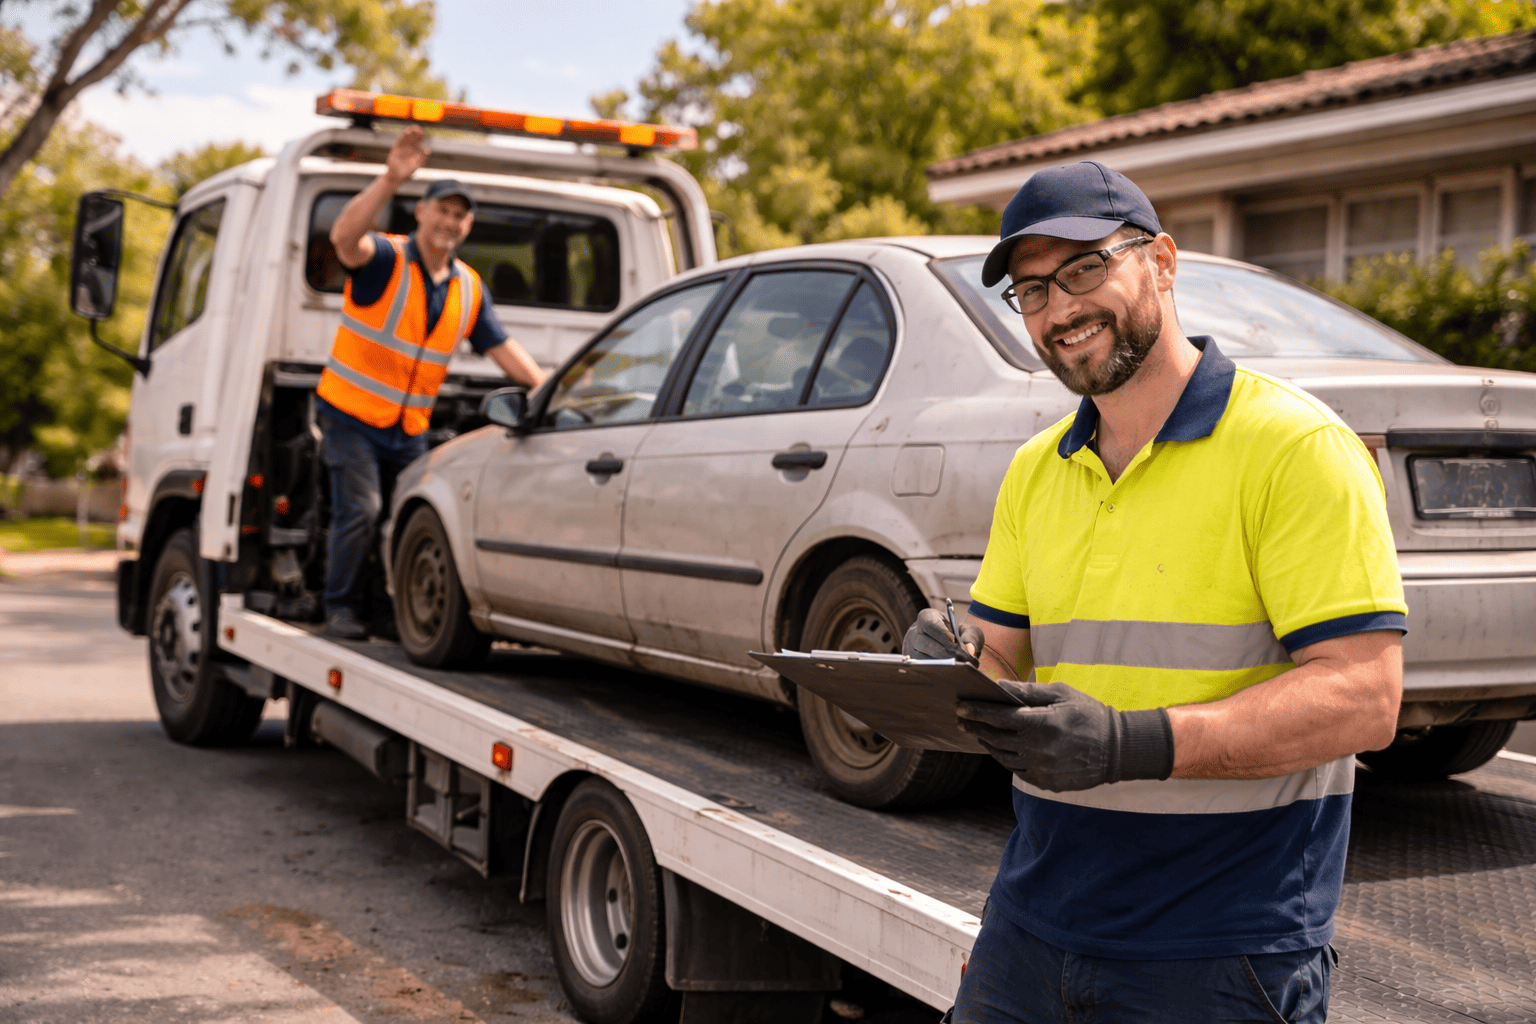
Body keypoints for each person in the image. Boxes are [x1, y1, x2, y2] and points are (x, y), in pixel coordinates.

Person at [904, 161, 1407, 1023]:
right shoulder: (1036, 470)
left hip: (1219, 947)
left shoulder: (1294, 447)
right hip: (1031, 924)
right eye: (1031, 291)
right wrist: (938, 663)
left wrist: (1132, 744)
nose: (1059, 309)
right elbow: (998, 655)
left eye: (1083, 269)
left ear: (1163, 262)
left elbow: (1365, 698)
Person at [318, 125, 545, 639]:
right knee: (362, 511)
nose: (450, 220)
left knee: (406, 519)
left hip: (407, 428)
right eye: (442, 209)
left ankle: (383, 610)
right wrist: (391, 178)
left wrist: (548, 388)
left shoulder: (468, 287)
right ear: (421, 211)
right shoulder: (385, 259)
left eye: (459, 214)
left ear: (468, 226)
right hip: (350, 415)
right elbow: (342, 239)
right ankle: (339, 608)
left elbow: (501, 347)